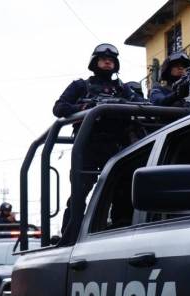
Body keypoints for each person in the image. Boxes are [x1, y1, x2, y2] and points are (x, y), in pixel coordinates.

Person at [53, 43, 141, 235]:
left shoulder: (123, 88)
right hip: (88, 145)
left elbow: (143, 104)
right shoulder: (80, 86)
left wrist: (125, 103)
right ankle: (70, 234)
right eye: (103, 59)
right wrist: (85, 108)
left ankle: (120, 229)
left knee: (122, 188)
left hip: (116, 145)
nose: (107, 62)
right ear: (95, 62)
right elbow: (59, 108)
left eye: (111, 60)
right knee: (80, 191)